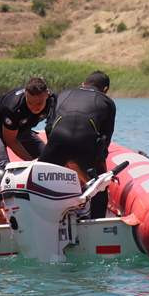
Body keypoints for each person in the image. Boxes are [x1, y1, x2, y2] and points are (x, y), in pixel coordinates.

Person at [39, 70, 116, 218]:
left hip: (57, 140)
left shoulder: (63, 94)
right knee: (99, 186)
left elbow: (49, 127)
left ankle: (43, 217)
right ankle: (97, 222)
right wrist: (98, 164)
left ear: (83, 83)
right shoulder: (107, 102)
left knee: (42, 181)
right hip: (84, 142)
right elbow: (105, 138)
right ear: (105, 89)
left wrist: (55, 153)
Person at [0, 76, 54, 169]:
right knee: (1, 167)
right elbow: (10, 140)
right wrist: (31, 163)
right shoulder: (14, 107)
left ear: (47, 94)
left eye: (39, 103)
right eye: (30, 103)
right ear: (26, 94)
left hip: (20, 128)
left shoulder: (53, 101)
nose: (34, 107)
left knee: (49, 161)